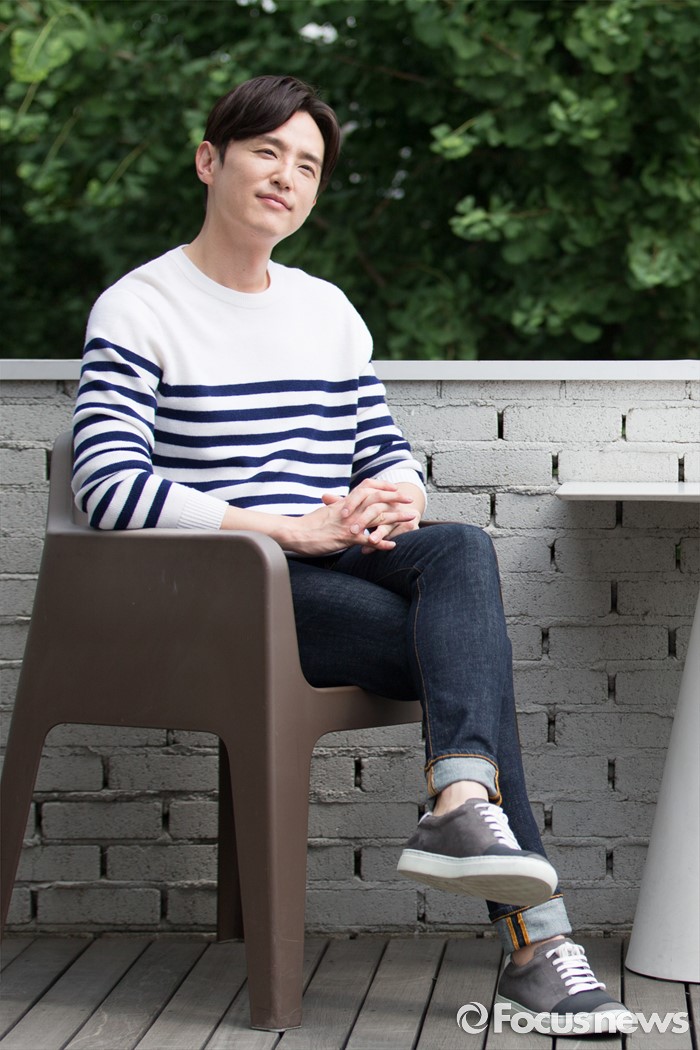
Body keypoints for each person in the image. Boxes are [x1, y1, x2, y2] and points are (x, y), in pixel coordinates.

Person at [72, 74, 632, 1033]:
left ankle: (462, 798)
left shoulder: (326, 310)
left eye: (307, 165)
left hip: (335, 562)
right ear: (209, 161)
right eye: (266, 152)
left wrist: (397, 491)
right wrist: (285, 528)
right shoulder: (140, 307)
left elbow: (383, 450)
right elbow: (106, 487)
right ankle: (535, 940)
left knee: (457, 548)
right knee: (470, 657)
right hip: (224, 588)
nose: (286, 177)